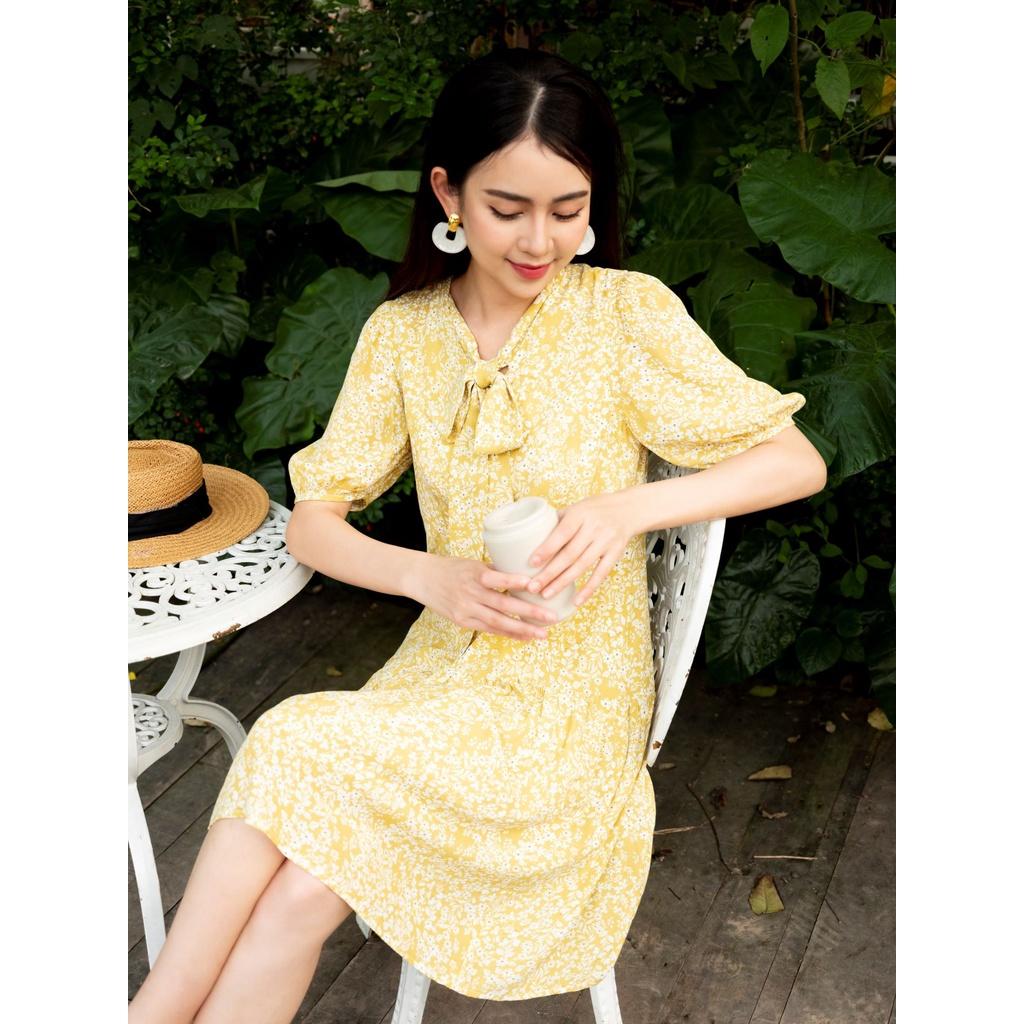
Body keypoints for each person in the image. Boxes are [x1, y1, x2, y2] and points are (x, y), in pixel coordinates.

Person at [129, 48, 827, 1024]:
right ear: (448, 193)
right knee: (298, 892)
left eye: (568, 208)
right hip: (441, 675)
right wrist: (432, 579)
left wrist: (623, 510)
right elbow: (317, 524)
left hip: (574, 705)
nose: (541, 239)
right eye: (508, 208)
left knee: (291, 737)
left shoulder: (625, 316)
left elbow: (795, 461)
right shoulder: (404, 334)